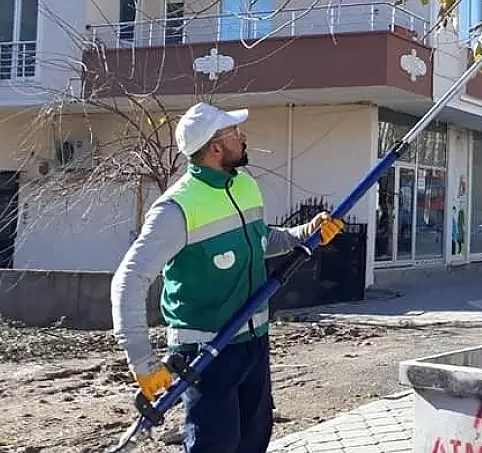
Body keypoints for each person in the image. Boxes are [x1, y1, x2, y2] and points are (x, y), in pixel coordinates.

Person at [110, 102, 345, 453]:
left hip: (254, 341)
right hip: (206, 351)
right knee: (216, 446)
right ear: (215, 147)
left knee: (254, 439)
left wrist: (306, 233)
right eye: (234, 132)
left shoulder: (245, 185)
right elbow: (128, 280)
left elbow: (261, 240)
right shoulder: (176, 209)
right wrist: (142, 361)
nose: (243, 136)